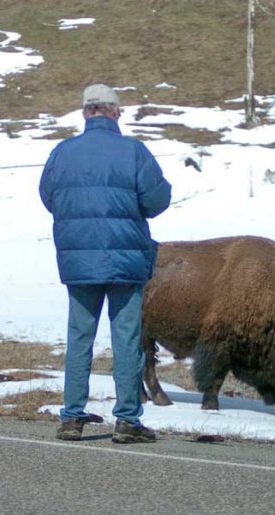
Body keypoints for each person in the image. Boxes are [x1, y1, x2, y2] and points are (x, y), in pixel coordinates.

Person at [39, 84, 172, 443]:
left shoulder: (62, 152)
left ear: (85, 112)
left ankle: (71, 417)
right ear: (116, 112)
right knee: (126, 338)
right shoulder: (134, 151)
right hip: (126, 260)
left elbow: (48, 197)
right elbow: (157, 201)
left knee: (79, 337)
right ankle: (127, 419)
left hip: (78, 260)